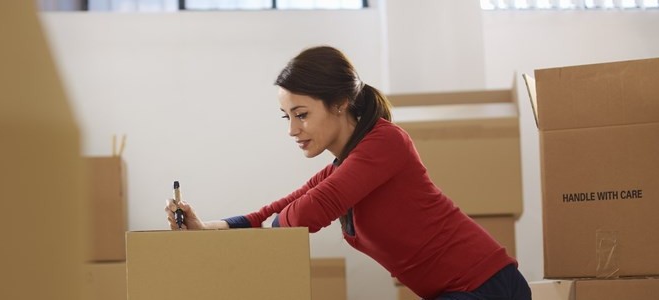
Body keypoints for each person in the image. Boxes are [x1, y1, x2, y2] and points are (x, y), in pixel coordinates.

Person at [164, 46, 531, 300]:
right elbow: (279, 209)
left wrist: (265, 241)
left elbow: (306, 213)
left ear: (339, 104)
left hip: (488, 286)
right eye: (287, 117)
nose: (292, 130)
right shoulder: (345, 165)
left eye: (302, 114)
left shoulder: (386, 144)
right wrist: (207, 229)